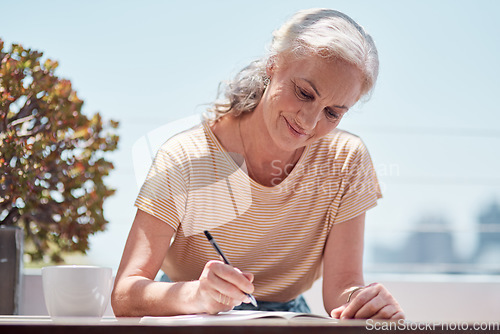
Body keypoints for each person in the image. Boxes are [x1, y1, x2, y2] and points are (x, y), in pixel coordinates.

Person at [111, 8, 405, 320]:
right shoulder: (186, 157)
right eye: (304, 93)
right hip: (191, 312)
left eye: (333, 112)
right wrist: (196, 294)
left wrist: (364, 302)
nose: (310, 121)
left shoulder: (346, 160)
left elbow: (342, 289)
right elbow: (125, 294)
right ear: (273, 64)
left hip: (288, 318)